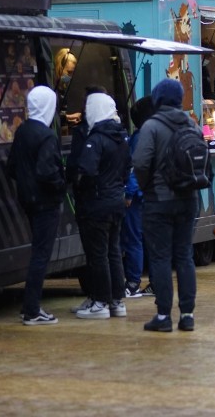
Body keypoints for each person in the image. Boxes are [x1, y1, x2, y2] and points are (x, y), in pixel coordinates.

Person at [133, 79, 202, 332]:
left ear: (158, 99)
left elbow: (140, 162)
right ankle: (187, 315)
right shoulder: (192, 125)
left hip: (159, 201)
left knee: (160, 257)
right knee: (184, 257)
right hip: (188, 199)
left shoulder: (151, 126)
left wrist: (147, 186)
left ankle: (163, 316)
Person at [6, 85, 65, 326]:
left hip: (27, 199)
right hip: (46, 201)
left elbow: (12, 166)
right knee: (41, 255)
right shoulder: (47, 136)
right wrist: (61, 184)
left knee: (37, 252)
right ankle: (32, 308)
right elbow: (47, 171)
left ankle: (29, 306)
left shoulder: (22, 131)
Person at [73, 92, 131, 320]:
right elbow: (127, 168)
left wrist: (81, 184)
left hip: (97, 202)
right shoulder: (122, 136)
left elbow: (85, 170)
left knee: (97, 254)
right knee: (114, 251)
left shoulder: (95, 139)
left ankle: (100, 301)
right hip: (117, 200)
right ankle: (117, 300)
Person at [122, 96, 155, 298]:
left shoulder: (140, 136)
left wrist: (128, 193)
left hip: (138, 197)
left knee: (133, 239)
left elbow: (135, 168)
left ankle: (133, 282)